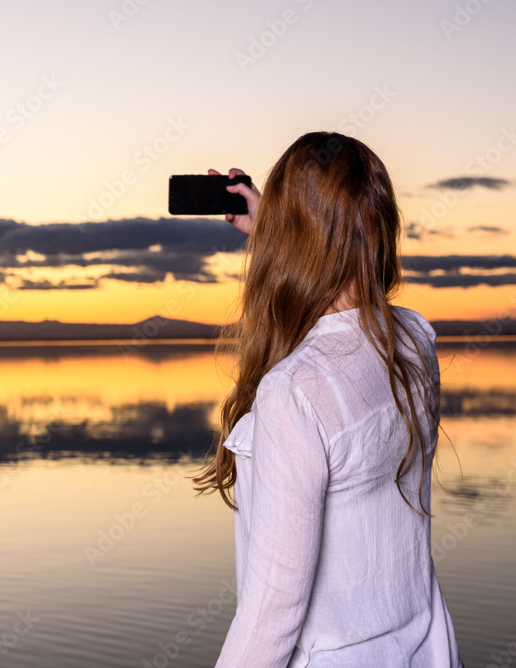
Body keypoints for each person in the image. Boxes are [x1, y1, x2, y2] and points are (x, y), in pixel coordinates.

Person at [192, 132, 464, 667]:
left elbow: (272, 616)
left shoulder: (295, 393)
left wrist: (285, 233)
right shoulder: (414, 341)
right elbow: (342, 279)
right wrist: (282, 227)